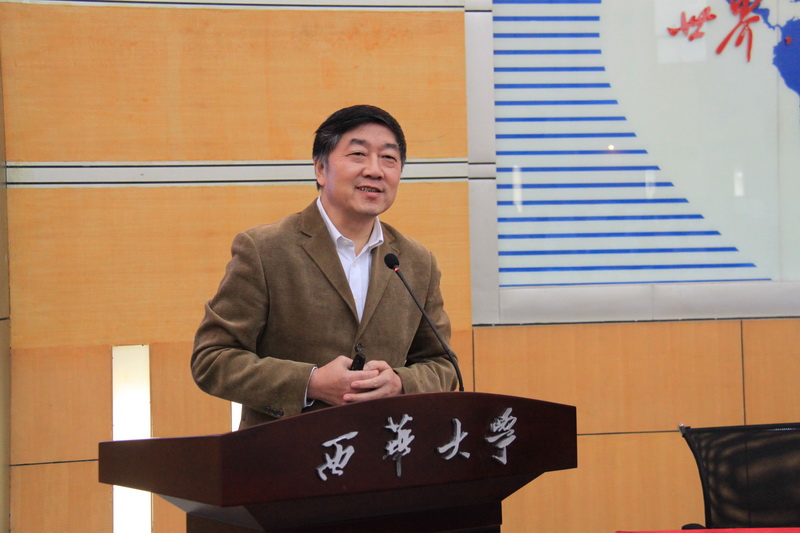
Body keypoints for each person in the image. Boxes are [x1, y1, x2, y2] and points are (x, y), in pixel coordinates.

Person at [191, 104, 459, 429]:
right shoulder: (264, 249)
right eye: (358, 154)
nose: (375, 170)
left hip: (383, 449)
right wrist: (311, 382)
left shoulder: (417, 261)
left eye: (389, 158)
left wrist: (401, 384)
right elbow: (212, 359)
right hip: (285, 451)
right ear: (320, 169)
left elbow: (442, 364)